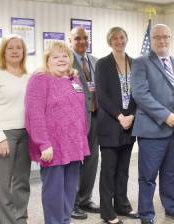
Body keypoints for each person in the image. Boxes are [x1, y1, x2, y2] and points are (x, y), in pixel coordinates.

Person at [131, 24, 174, 224]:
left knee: (172, 174)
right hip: (152, 129)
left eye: (166, 37)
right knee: (148, 177)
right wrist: (165, 115)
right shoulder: (141, 63)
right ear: (152, 39)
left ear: (170, 38)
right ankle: (146, 214)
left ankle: (172, 207)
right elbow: (141, 94)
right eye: (158, 37)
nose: (162, 41)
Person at [25, 41, 90, 224]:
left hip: (74, 145)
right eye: (55, 57)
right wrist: (43, 143)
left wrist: (81, 141)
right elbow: (34, 113)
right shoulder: (40, 79)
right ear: (48, 60)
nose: (61, 60)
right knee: (54, 192)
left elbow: (80, 112)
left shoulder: (74, 79)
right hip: (52, 147)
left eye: (64, 56)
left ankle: (64, 221)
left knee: (70, 190)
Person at [94, 27, 139, 224]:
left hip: (130, 122)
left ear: (126, 39)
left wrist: (131, 115)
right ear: (109, 41)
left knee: (123, 169)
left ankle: (122, 205)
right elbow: (102, 96)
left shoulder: (134, 63)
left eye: (122, 37)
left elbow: (139, 92)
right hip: (111, 122)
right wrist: (120, 116)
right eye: (115, 38)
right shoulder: (103, 64)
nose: (119, 41)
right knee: (108, 169)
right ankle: (107, 212)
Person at [0, 34, 31, 224]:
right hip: (5, 134)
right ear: (3, 51)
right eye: (10, 47)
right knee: (2, 185)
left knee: (22, 182)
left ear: (24, 52)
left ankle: (20, 219)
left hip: (26, 134)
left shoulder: (29, 76)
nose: (15, 51)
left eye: (19, 47)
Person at [69, 26, 100, 220]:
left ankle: (85, 199)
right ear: (70, 40)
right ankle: (71, 202)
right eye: (77, 38)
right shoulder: (66, 61)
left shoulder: (96, 61)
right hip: (75, 119)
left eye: (85, 38)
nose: (82, 41)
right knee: (74, 161)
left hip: (96, 118)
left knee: (91, 160)